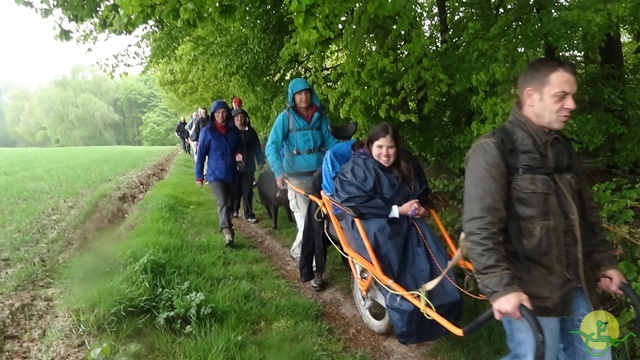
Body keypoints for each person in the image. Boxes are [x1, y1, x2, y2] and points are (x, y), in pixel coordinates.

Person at [462, 57, 625, 360]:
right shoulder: (493, 150)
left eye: (573, 95)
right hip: (529, 294)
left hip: (577, 287)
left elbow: (586, 212)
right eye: (561, 96)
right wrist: (500, 288)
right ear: (531, 97)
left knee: (598, 356)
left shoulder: (563, 148)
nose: (572, 105)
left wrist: (604, 262)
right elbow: (480, 228)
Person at [333, 122, 461, 344]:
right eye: (380, 147)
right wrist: (395, 211)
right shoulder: (358, 168)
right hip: (372, 222)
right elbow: (355, 201)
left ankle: (443, 298)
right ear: (370, 145)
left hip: (406, 221)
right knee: (390, 244)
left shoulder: (406, 164)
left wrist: (418, 206)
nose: (385, 153)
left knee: (426, 244)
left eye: (390, 147)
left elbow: (420, 191)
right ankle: (407, 304)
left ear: (397, 147)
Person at [265, 78, 339, 262]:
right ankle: (314, 266)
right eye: (299, 94)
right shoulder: (285, 118)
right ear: (293, 96)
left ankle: (299, 252)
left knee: (323, 221)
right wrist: (278, 171)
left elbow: (331, 143)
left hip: (320, 176)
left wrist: (340, 164)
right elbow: (271, 146)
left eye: (306, 92)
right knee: (306, 222)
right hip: (296, 178)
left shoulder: (319, 117)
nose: (303, 97)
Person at [195, 100, 244, 247]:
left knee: (231, 202)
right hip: (215, 174)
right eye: (217, 113)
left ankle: (227, 224)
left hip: (231, 173)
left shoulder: (234, 130)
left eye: (223, 112)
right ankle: (227, 232)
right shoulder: (207, 132)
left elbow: (239, 147)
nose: (221, 116)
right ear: (213, 115)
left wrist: (238, 153)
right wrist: (199, 176)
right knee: (222, 201)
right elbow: (201, 155)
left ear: (227, 113)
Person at [231, 107, 265, 223]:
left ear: (246, 118)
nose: (239, 119)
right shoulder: (230, 132)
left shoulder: (251, 132)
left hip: (249, 165)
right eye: (237, 117)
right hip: (233, 166)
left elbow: (257, 148)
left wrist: (260, 161)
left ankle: (249, 214)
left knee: (247, 190)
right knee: (235, 190)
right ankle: (234, 209)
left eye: (242, 116)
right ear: (233, 119)